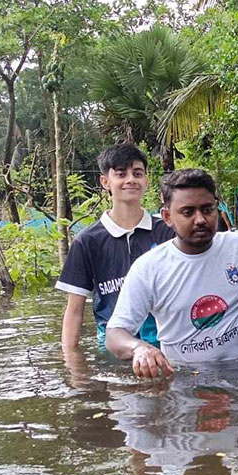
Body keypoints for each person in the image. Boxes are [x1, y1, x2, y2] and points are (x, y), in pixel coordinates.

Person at [105, 169, 238, 378]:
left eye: (207, 209)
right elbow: (115, 334)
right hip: (184, 382)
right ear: (168, 216)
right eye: (188, 212)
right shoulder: (148, 268)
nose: (201, 220)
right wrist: (139, 348)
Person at [57, 143, 174, 349]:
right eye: (121, 174)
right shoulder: (88, 241)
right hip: (114, 349)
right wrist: (73, 366)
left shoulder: (168, 232)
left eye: (137, 173)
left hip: (167, 342)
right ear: (105, 181)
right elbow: (74, 311)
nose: (131, 180)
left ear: (146, 180)